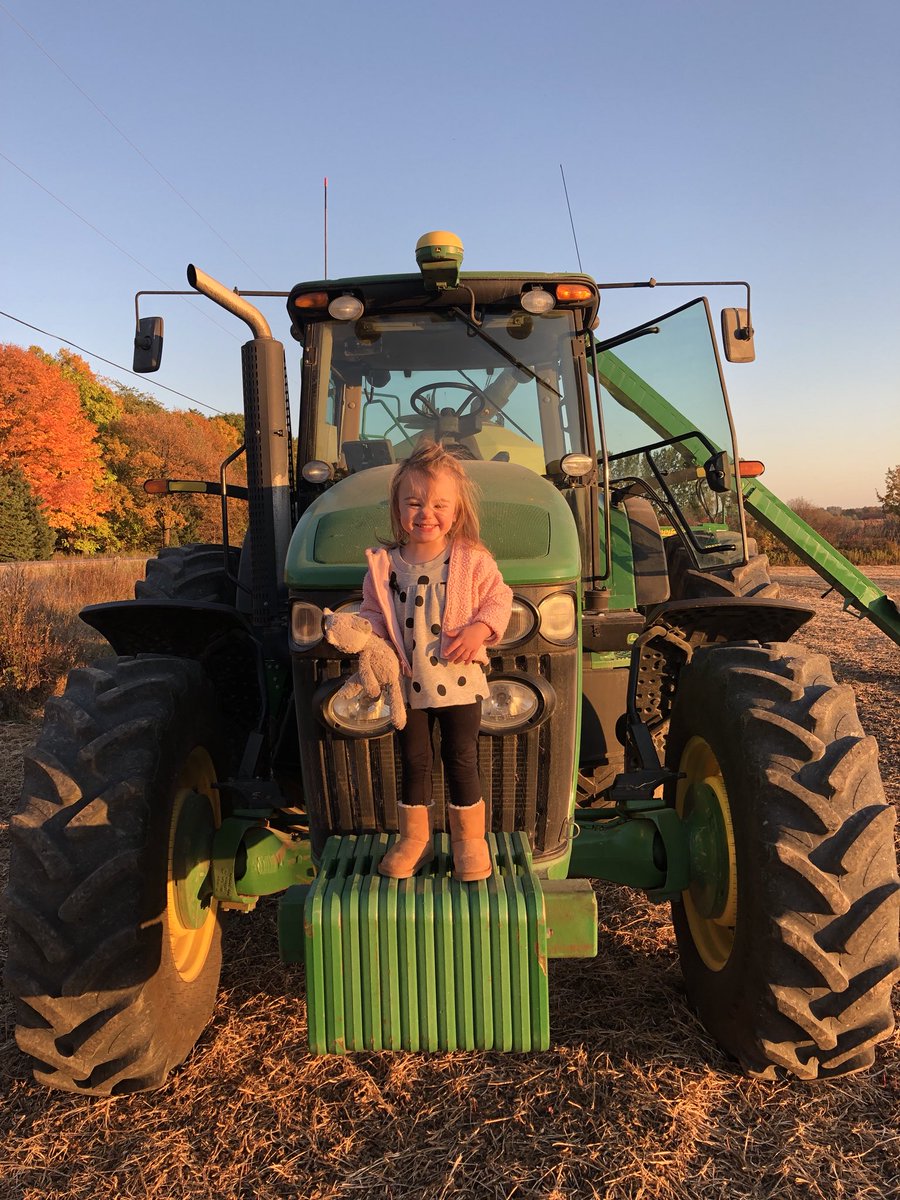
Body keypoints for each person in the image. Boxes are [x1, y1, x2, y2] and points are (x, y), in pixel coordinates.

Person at [359, 441, 512, 881]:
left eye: (440, 504)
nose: (427, 513)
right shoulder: (384, 566)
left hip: (459, 681)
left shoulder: (471, 559)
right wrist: (367, 638)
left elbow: (500, 597)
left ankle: (469, 842)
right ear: (398, 508)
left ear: (457, 509)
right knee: (414, 760)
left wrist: (481, 629)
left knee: (461, 756)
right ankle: (416, 840)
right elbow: (372, 613)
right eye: (414, 503)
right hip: (408, 686)